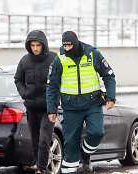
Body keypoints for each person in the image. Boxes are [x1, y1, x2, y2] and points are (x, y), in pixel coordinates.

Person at [46, 31, 116, 174]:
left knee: (97, 133)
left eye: (70, 46)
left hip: (92, 104)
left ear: (76, 44)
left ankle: (85, 154)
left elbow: (109, 75)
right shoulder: (60, 59)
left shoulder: (92, 54)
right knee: (70, 144)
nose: (67, 49)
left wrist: (110, 97)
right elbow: (52, 85)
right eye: (64, 46)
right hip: (70, 107)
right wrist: (51, 109)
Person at [14, 30, 57, 174]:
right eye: (32, 45)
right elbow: (18, 79)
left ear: (44, 45)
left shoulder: (54, 58)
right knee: (34, 141)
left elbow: (62, 79)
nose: (35, 48)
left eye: (38, 45)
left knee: (44, 139)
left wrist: (58, 99)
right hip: (31, 107)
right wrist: (24, 93)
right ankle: (40, 166)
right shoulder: (25, 60)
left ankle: (42, 169)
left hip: (48, 107)